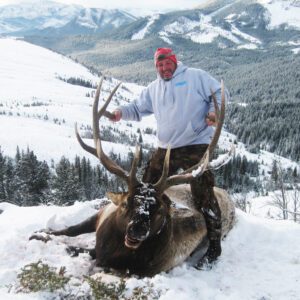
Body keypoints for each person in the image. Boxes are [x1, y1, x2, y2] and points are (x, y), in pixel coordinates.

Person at [109, 47, 229, 269]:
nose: (164, 68)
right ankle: (142, 227)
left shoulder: (195, 77)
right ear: (156, 67)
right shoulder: (154, 89)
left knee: (203, 191)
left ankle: (214, 243)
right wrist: (119, 113)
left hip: (196, 143)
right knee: (144, 190)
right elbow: (137, 108)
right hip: (166, 148)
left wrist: (214, 113)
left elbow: (220, 94)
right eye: (160, 65)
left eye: (168, 63)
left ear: (175, 61)